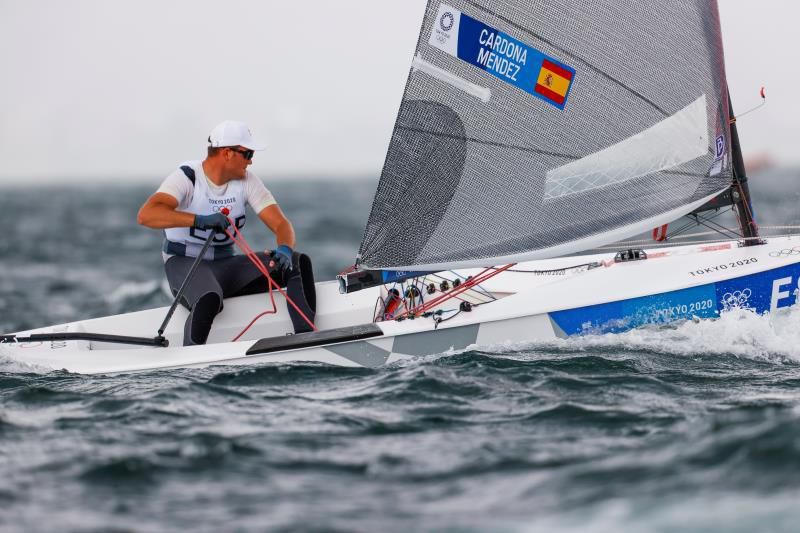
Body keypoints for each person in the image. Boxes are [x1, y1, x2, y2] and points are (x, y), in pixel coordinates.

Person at [137, 120, 316, 345]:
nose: (251, 161)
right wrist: (199, 220)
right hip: (184, 264)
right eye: (248, 154)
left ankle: (307, 339)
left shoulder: (248, 182)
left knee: (298, 263)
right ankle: (190, 356)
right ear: (227, 153)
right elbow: (146, 215)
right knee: (209, 297)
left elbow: (282, 224)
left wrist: (285, 249)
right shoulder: (187, 177)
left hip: (226, 267)